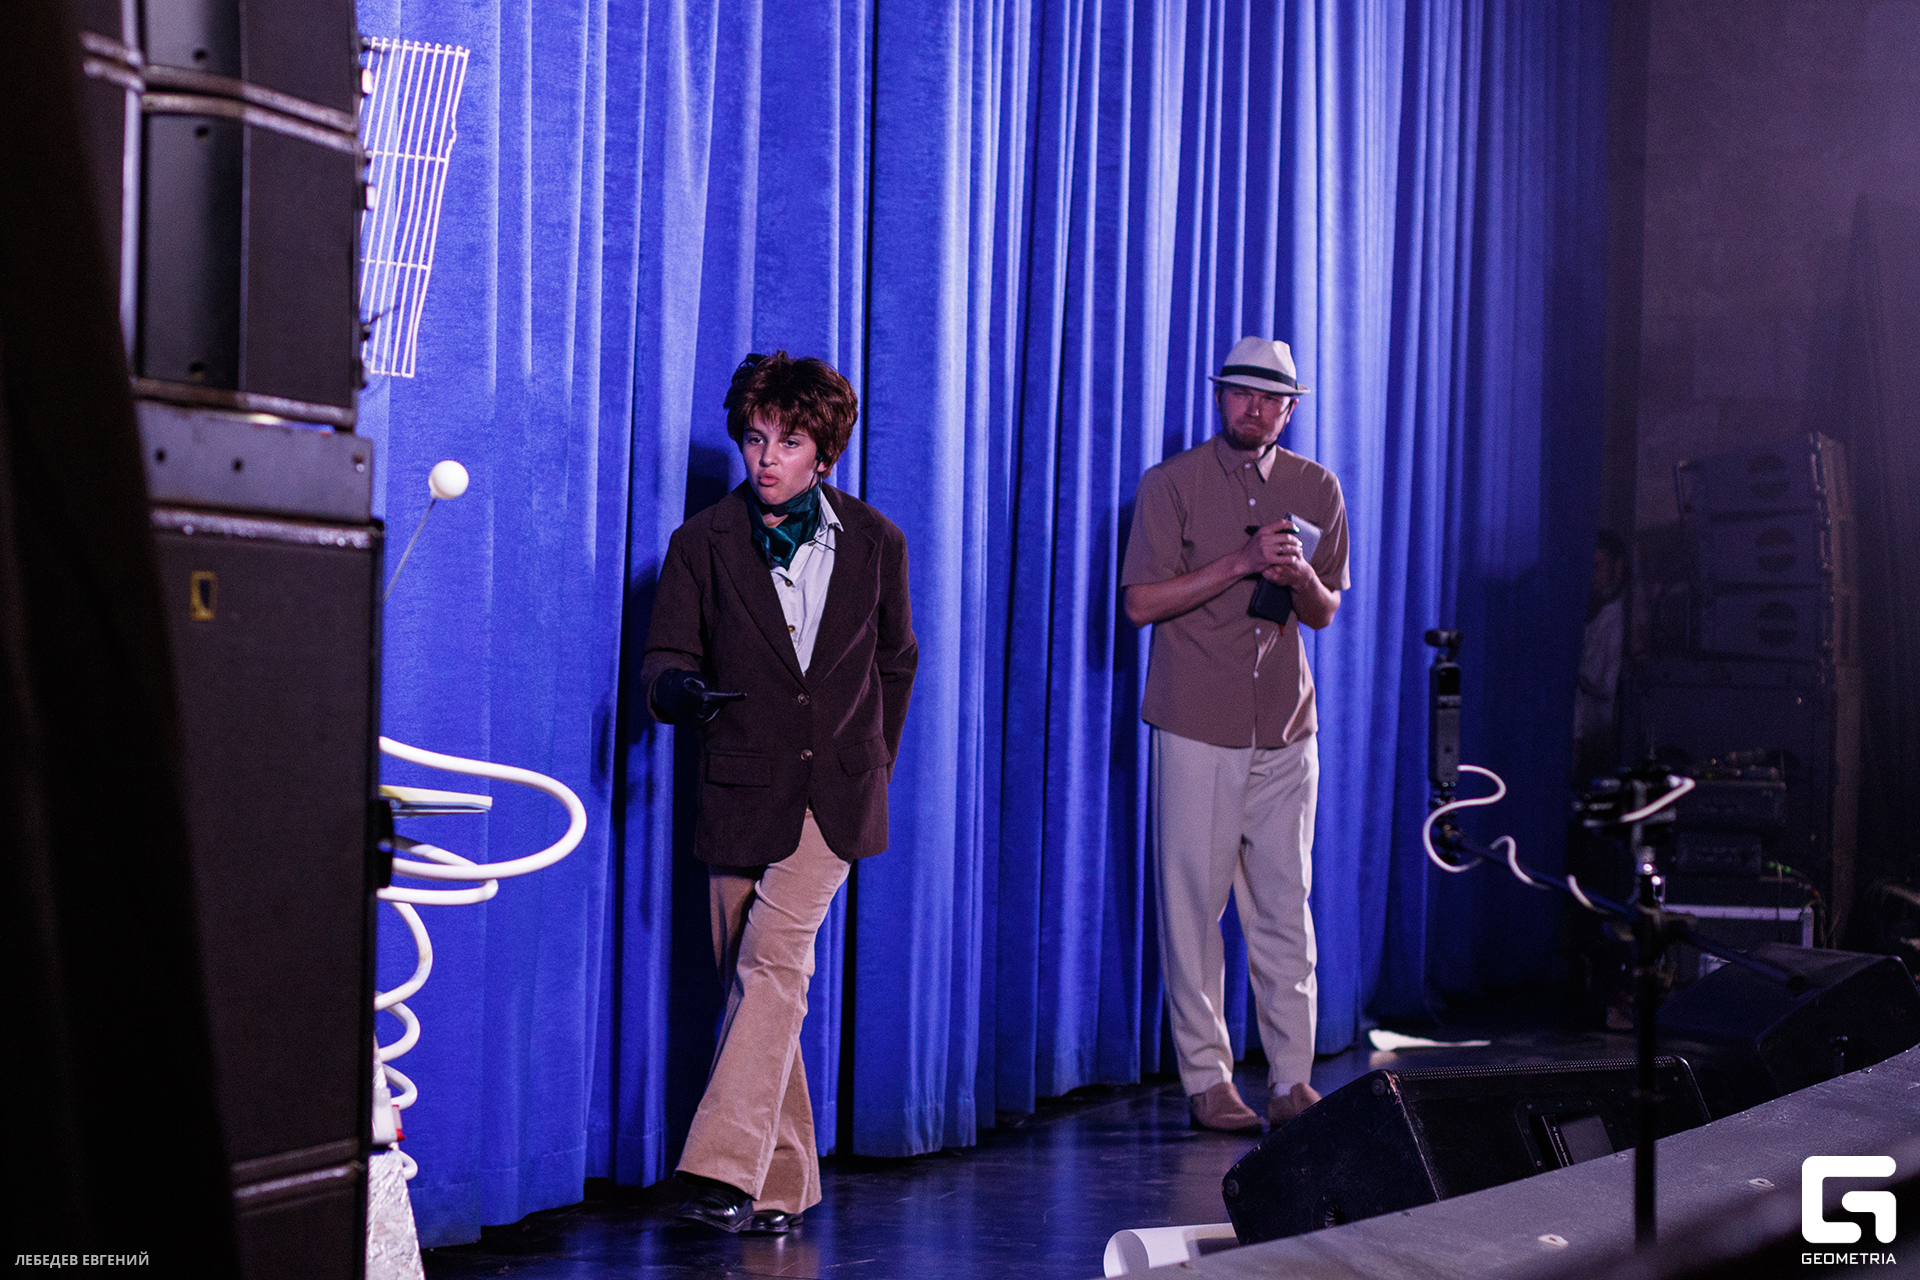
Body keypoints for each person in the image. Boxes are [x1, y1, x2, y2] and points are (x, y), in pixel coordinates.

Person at [641, 351, 917, 1233]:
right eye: (756, 439)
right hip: (739, 787)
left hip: (834, 796)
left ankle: (721, 1170)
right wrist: (676, 691)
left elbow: (896, 662)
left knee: (771, 963)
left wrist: (874, 762)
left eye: (788, 443)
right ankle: (784, 1184)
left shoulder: (876, 540)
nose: (766, 458)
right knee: (761, 985)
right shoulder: (701, 543)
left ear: (823, 453)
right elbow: (663, 660)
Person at [1120, 335, 1349, 1132]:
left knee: (1286, 906)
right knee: (1193, 908)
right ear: (1220, 396)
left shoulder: (1317, 487)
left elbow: (1326, 610)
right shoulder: (1171, 484)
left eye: (1270, 398)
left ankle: (1292, 1081)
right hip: (1196, 722)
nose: (1254, 408)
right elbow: (1140, 603)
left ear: (1290, 409)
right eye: (1241, 393)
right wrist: (1243, 561)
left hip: (1287, 726)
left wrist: (1301, 576)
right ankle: (1209, 1082)